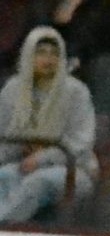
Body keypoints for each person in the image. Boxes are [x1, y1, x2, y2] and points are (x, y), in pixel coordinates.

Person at [0, 22, 94, 223]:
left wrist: (42, 159)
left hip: (72, 169)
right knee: (5, 175)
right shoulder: (12, 89)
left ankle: (5, 228)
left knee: (38, 182)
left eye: (54, 53)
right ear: (28, 55)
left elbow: (81, 144)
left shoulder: (76, 91)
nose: (49, 59)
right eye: (41, 52)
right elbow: (5, 139)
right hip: (21, 164)